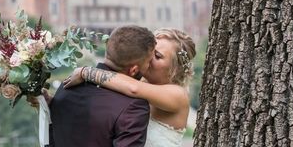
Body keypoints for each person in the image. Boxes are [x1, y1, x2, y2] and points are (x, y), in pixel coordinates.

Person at [63, 28, 196, 147]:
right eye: (150, 51)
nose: (149, 56)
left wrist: (86, 72)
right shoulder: (135, 79)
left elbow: (134, 89)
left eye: (157, 56)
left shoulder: (178, 95)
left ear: (175, 69)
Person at [49, 25, 156, 147]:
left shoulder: (67, 86)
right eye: (148, 62)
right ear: (133, 70)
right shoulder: (133, 106)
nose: (150, 66)